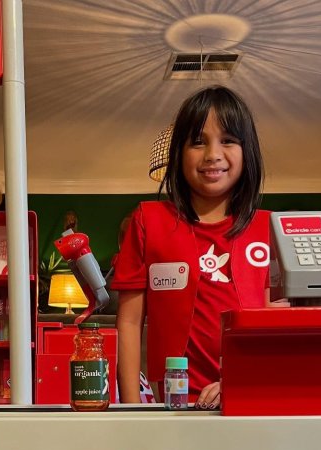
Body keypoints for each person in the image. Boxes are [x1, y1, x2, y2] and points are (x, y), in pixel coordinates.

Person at [111, 86, 270, 409]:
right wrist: (130, 412)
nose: (212, 154)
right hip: (172, 405)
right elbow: (128, 323)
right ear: (179, 153)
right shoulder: (148, 221)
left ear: (247, 150)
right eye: (198, 141)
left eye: (228, 140)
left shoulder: (269, 229)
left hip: (252, 399)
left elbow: (279, 331)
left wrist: (239, 383)